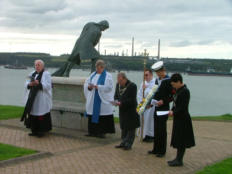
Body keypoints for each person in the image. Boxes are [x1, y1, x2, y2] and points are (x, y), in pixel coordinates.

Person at [168, 73, 195, 166]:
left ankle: (179, 160)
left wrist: (174, 112)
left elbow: (182, 106)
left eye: (174, 84)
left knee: (182, 140)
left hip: (183, 119)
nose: (173, 86)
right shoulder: (178, 90)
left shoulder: (185, 91)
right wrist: (172, 110)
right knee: (178, 139)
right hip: (178, 118)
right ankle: (177, 158)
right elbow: (175, 103)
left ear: (179, 82)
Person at [148, 61, 174, 157]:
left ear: (163, 70)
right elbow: (154, 93)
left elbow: (172, 96)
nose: (158, 74)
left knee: (162, 129)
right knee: (156, 128)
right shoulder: (157, 80)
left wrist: (164, 101)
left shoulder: (169, 80)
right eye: (157, 72)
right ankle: (155, 149)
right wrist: (150, 102)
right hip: (156, 106)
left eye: (159, 72)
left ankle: (162, 151)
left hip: (164, 107)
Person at [84, 59, 115, 138]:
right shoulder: (92, 75)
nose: (97, 70)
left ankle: (101, 132)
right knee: (91, 114)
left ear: (102, 67)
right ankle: (92, 131)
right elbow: (87, 83)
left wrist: (99, 87)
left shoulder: (108, 76)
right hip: (93, 98)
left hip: (102, 99)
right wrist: (89, 87)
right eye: (96, 68)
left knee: (102, 116)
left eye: (99, 68)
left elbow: (109, 87)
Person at [21, 60, 52, 137]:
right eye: (36, 65)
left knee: (41, 115)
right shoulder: (32, 73)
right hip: (32, 98)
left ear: (42, 66)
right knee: (33, 114)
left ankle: (41, 131)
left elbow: (48, 85)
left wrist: (39, 83)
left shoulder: (46, 74)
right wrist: (30, 84)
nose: (37, 66)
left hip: (41, 98)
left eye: (39, 65)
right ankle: (34, 130)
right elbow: (26, 83)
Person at [114, 72, 140, 150]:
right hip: (122, 110)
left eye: (121, 81)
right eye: (118, 81)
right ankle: (123, 142)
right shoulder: (118, 85)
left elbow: (132, 99)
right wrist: (115, 101)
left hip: (131, 110)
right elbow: (116, 95)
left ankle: (129, 144)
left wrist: (121, 103)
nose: (119, 83)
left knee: (131, 128)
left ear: (125, 78)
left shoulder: (132, 86)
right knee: (123, 127)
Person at [137, 69, 155, 142]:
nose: (145, 77)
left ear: (151, 75)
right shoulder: (143, 83)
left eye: (147, 75)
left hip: (151, 107)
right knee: (143, 121)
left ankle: (150, 136)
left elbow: (152, 94)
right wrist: (140, 104)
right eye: (144, 75)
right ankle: (143, 134)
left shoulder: (155, 83)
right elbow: (139, 94)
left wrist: (146, 88)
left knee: (150, 121)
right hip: (143, 105)